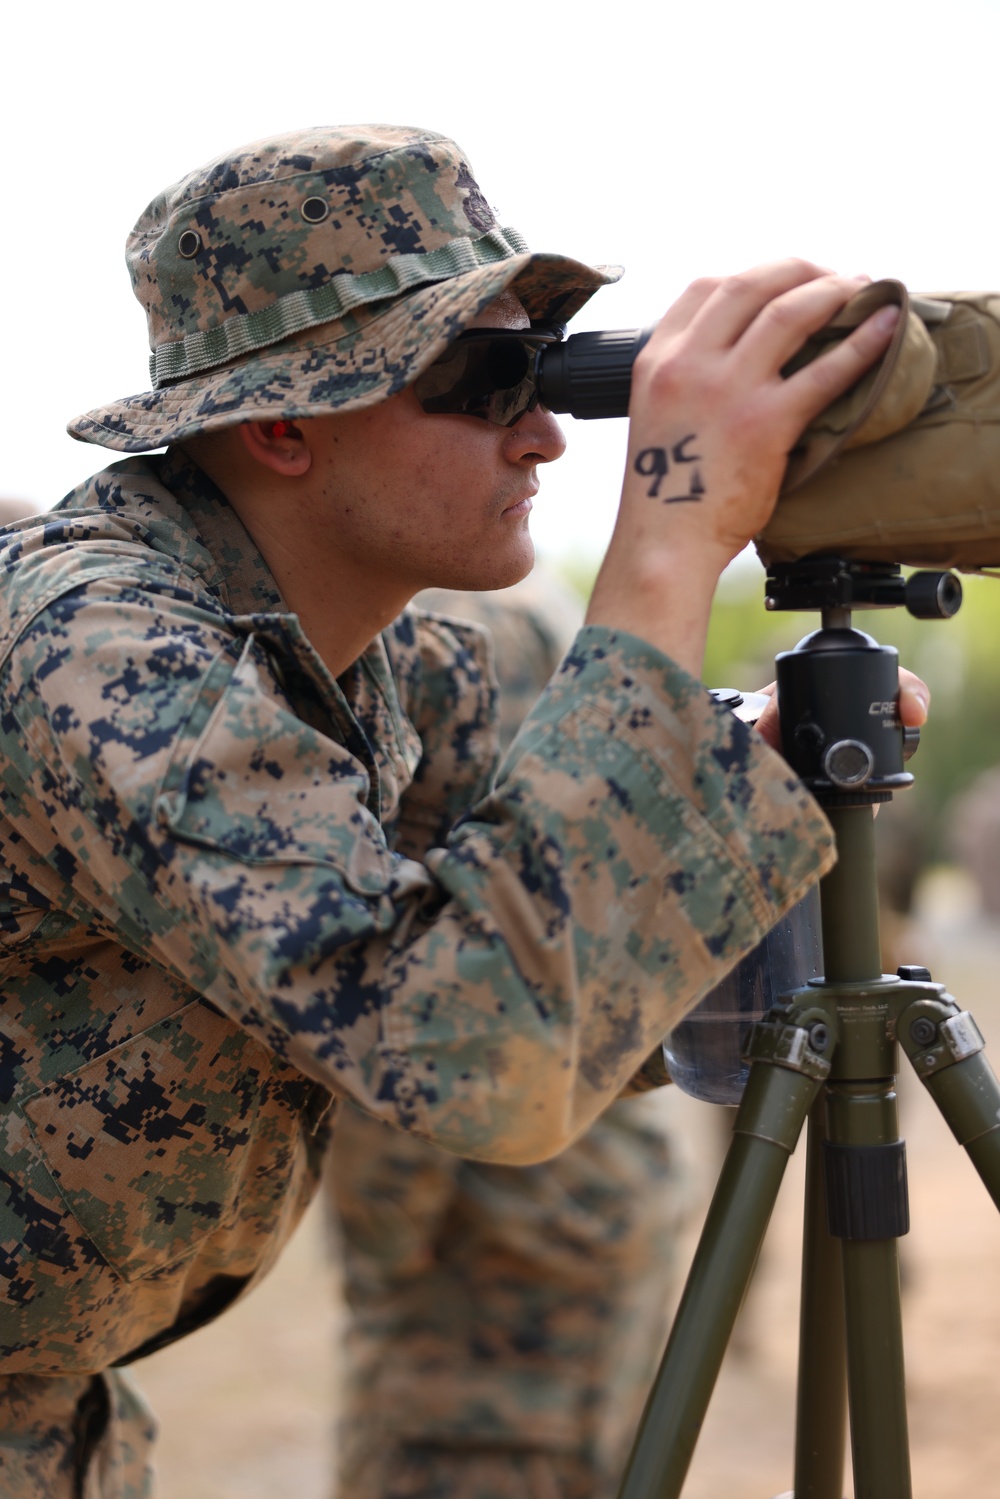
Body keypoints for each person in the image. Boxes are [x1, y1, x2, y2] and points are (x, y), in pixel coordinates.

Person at [0, 123, 926, 1497]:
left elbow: (550, 941)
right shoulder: (93, 645)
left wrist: (738, 765)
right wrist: (670, 534)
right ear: (282, 421)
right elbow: (476, 1047)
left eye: (546, 376)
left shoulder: (378, 668)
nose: (550, 434)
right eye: (491, 382)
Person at [328, 570, 695, 1499]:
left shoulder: (429, 639)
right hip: (600, 1195)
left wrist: (378, 1236)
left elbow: (411, 1018)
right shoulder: (545, 619)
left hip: (492, 1253)